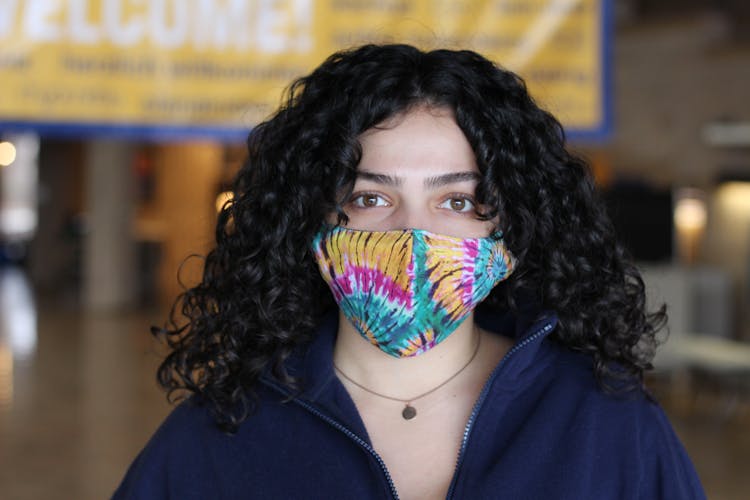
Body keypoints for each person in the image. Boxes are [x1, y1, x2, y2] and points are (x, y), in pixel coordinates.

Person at [114, 44, 705, 499]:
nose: (412, 236)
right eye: (371, 198)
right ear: (310, 221)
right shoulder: (219, 432)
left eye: (456, 201)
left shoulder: (606, 420)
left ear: (514, 226)